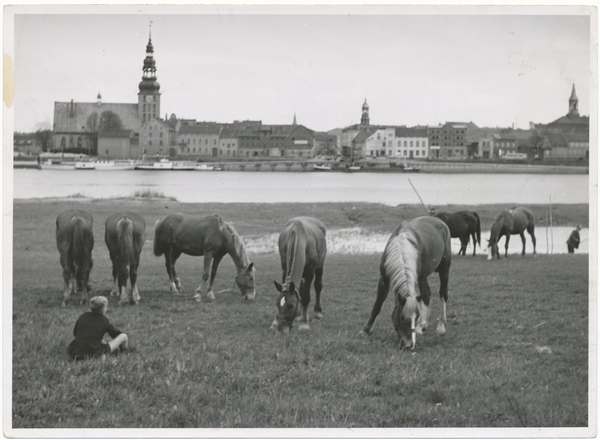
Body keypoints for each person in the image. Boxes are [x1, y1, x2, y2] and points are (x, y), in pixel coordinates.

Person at [68, 296, 129, 361]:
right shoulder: (104, 321)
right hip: (93, 351)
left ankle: (90, 356)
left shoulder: (83, 316)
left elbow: (75, 333)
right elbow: (116, 334)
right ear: (104, 308)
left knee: (94, 339)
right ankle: (125, 351)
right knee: (124, 336)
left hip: (74, 350)